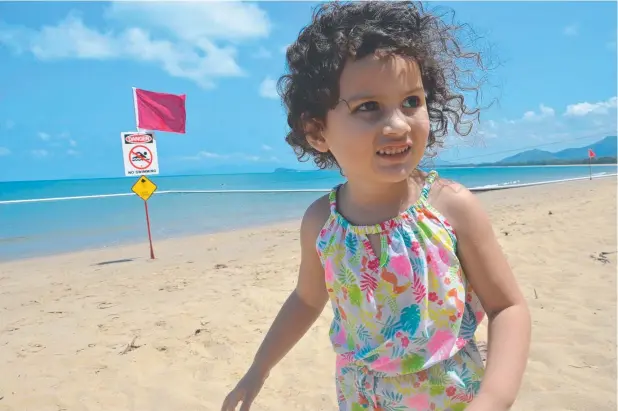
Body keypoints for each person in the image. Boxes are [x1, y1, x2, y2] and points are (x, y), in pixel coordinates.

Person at [221, 2, 531, 410]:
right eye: (368, 107)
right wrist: (258, 368)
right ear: (317, 131)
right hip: (361, 397)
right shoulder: (322, 222)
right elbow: (307, 299)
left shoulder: (451, 207)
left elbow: (507, 306)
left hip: (452, 397)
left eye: (411, 102)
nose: (399, 124)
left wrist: (494, 397)